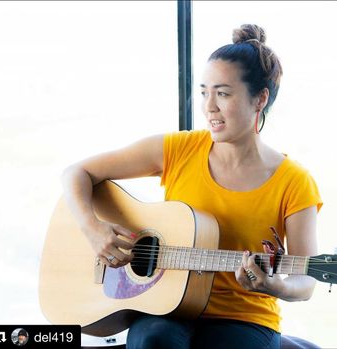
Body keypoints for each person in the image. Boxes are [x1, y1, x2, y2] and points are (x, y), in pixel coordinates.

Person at [61, 24, 322, 349]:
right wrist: (93, 229)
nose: (208, 106)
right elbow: (77, 172)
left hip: (246, 317)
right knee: (154, 339)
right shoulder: (177, 149)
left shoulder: (294, 181)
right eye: (204, 92)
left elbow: (306, 279)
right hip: (166, 306)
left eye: (223, 93)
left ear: (260, 99)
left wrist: (273, 286)